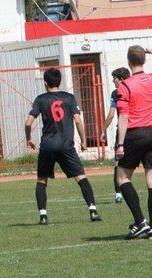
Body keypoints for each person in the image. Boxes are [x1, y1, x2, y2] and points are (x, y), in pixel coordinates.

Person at [25, 68, 102, 225]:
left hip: (47, 146)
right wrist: (83, 140)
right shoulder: (69, 98)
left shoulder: (40, 99)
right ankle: (93, 210)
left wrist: (28, 139)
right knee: (81, 176)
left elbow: (28, 122)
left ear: (45, 83)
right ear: (59, 81)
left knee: (41, 180)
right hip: (66, 145)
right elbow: (78, 120)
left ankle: (43, 215)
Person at [116, 46, 152, 240]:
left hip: (135, 134)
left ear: (128, 62)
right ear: (145, 60)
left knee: (122, 178)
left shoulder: (125, 85)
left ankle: (140, 222)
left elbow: (123, 117)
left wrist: (120, 144)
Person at [100, 67, 131, 204]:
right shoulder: (136, 88)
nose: (113, 81)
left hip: (123, 131)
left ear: (122, 79)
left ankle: (118, 194)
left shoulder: (116, 93)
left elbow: (112, 114)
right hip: (139, 128)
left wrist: (103, 130)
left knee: (118, 163)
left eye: (115, 79)